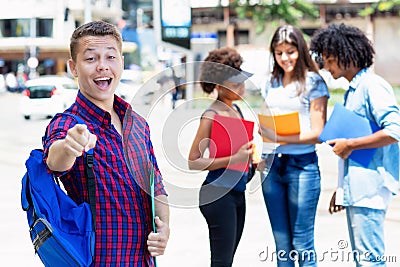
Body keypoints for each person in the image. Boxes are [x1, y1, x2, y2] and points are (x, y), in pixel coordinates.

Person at [42, 21, 170, 266]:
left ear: (121, 61)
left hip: (142, 260)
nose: (102, 66)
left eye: (110, 57)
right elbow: (55, 161)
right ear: (73, 67)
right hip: (100, 260)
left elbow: (156, 185)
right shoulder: (68, 123)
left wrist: (165, 228)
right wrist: (70, 145)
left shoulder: (138, 124)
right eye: (90, 59)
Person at [310, 23, 400, 266]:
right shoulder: (353, 90)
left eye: (330, 60)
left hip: (370, 189)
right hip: (358, 189)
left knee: (370, 261)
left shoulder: (372, 86)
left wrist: (349, 144)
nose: (326, 68)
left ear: (347, 55)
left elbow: (395, 129)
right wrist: (342, 191)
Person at [258, 25, 329, 267]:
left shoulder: (313, 82)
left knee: (302, 244)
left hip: (302, 167)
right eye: (279, 53)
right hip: (271, 167)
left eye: (290, 51)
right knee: (282, 246)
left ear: (300, 50)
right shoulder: (270, 82)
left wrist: (281, 138)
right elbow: (264, 122)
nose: (285, 58)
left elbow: (319, 133)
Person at [188, 47, 256, 267]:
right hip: (217, 195)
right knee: (221, 262)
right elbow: (193, 160)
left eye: (242, 81)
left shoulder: (237, 109)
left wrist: (252, 161)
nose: (241, 87)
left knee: (228, 261)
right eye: (235, 83)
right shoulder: (211, 115)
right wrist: (234, 158)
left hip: (237, 193)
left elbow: (240, 153)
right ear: (219, 85)